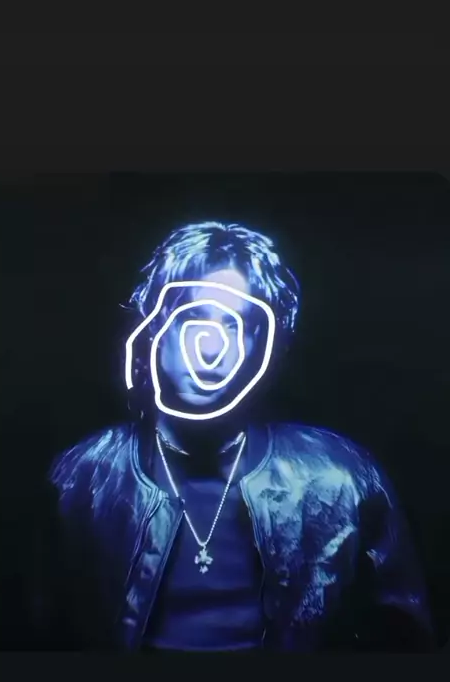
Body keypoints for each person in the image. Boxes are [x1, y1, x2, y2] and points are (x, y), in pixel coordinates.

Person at [41, 221, 434, 652]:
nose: (210, 349)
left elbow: (404, 634)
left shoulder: (342, 480)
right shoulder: (81, 478)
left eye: (234, 325)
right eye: (193, 317)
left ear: (262, 344)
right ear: (154, 328)